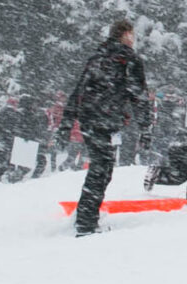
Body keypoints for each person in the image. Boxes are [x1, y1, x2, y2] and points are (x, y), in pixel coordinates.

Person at [63, 16, 149, 236]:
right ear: (126, 35)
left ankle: (86, 216)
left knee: (101, 166)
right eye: (132, 35)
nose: (134, 39)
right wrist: (145, 126)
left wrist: (67, 120)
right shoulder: (129, 60)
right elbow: (139, 96)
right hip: (105, 117)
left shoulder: (98, 57)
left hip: (89, 117)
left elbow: (79, 88)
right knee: (102, 168)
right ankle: (86, 221)